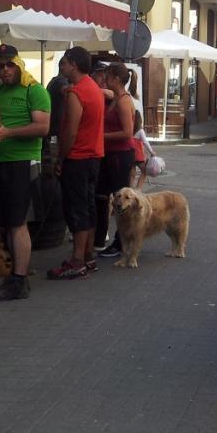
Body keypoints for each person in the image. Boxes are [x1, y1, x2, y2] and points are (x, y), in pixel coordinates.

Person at [0, 45, 50, 302]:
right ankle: (15, 276)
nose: (5, 70)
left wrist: (9, 132)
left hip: (23, 162)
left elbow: (43, 127)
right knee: (7, 223)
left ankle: (20, 280)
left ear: (19, 64)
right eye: (0, 66)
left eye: (9, 64)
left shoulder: (34, 90)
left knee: (18, 222)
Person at [47, 46, 105, 280]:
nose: (61, 67)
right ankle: (88, 256)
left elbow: (70, 132)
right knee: (89, 207)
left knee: (76, 210)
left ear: (74, 64)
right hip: (94, 157)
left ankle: (77, 260)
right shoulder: (94, 88)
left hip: (77, 158)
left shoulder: (77, 93)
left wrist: (60, 158)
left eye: (63, 62)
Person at [94, 63, 137, 261]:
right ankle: (102, 239)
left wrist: (100, 136)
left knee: (121, 200)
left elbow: (127, 132)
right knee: (104, 196)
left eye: (108, 76)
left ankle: (121, 242)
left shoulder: (123, 101)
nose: (105, 79)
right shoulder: (116, 98)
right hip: (111, 154)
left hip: (120, 155)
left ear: (117, 79)